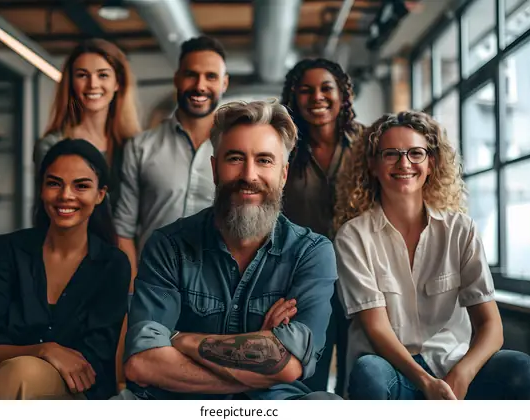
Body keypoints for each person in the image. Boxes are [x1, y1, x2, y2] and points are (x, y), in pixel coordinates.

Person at [114, 100, 340, 400]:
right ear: (215, 168)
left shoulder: (311, 253)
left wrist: (179, 340)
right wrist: (261, 350)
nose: (249, 175)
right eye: (235, 158)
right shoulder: (169, 245)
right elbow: (143, 363)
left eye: (264, 160)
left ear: (283, 175)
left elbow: (289, 365)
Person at [333, 111, 530, 400]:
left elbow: (492, 327)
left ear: (431, 163)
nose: (404, 163)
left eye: (416, 153)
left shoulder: (460, 229)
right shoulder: (353, 237)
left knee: (524, 370)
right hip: (391, 369)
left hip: (453, 363)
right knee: (369, 372)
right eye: (391, 154)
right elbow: (376, 329)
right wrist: (426, 383)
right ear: (373, 165)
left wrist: (462, 373)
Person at [0, 139, 130, 400]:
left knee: (24, 373)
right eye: (54, 183)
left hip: (74, 392)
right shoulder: (8, 250)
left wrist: (32, 360)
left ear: (100, 194)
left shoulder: (113, 265)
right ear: (42, 189)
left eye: (81, 186)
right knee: (13, 373)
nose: (66, 195)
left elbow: (89, 367)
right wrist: (44, 350)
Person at [114, 35, 229, 281]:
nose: (200, 85)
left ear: (224, 83)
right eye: (191, 74)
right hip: (154, 285)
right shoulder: (141, 147)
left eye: (211, 77)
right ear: (177, 78)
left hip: (220, 288)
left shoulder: (236, 150)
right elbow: (123, 229)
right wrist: (135, 289)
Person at [279, 58, 362, 395]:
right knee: (307, 373)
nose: (317, 97)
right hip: (304, 280)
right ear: (294, 97)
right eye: (306, 90)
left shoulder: (367, 143)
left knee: (359, 374)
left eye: (326, 88)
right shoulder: (284, 147)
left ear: (342, 94)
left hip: (362, 276)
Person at [34, 39, 141, 212]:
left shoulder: (135, 146)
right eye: (82, 75)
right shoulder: (51, 146)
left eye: (103, 75)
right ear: (71, 83)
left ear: (117, 83)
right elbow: (46, 213)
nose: (93, 84)